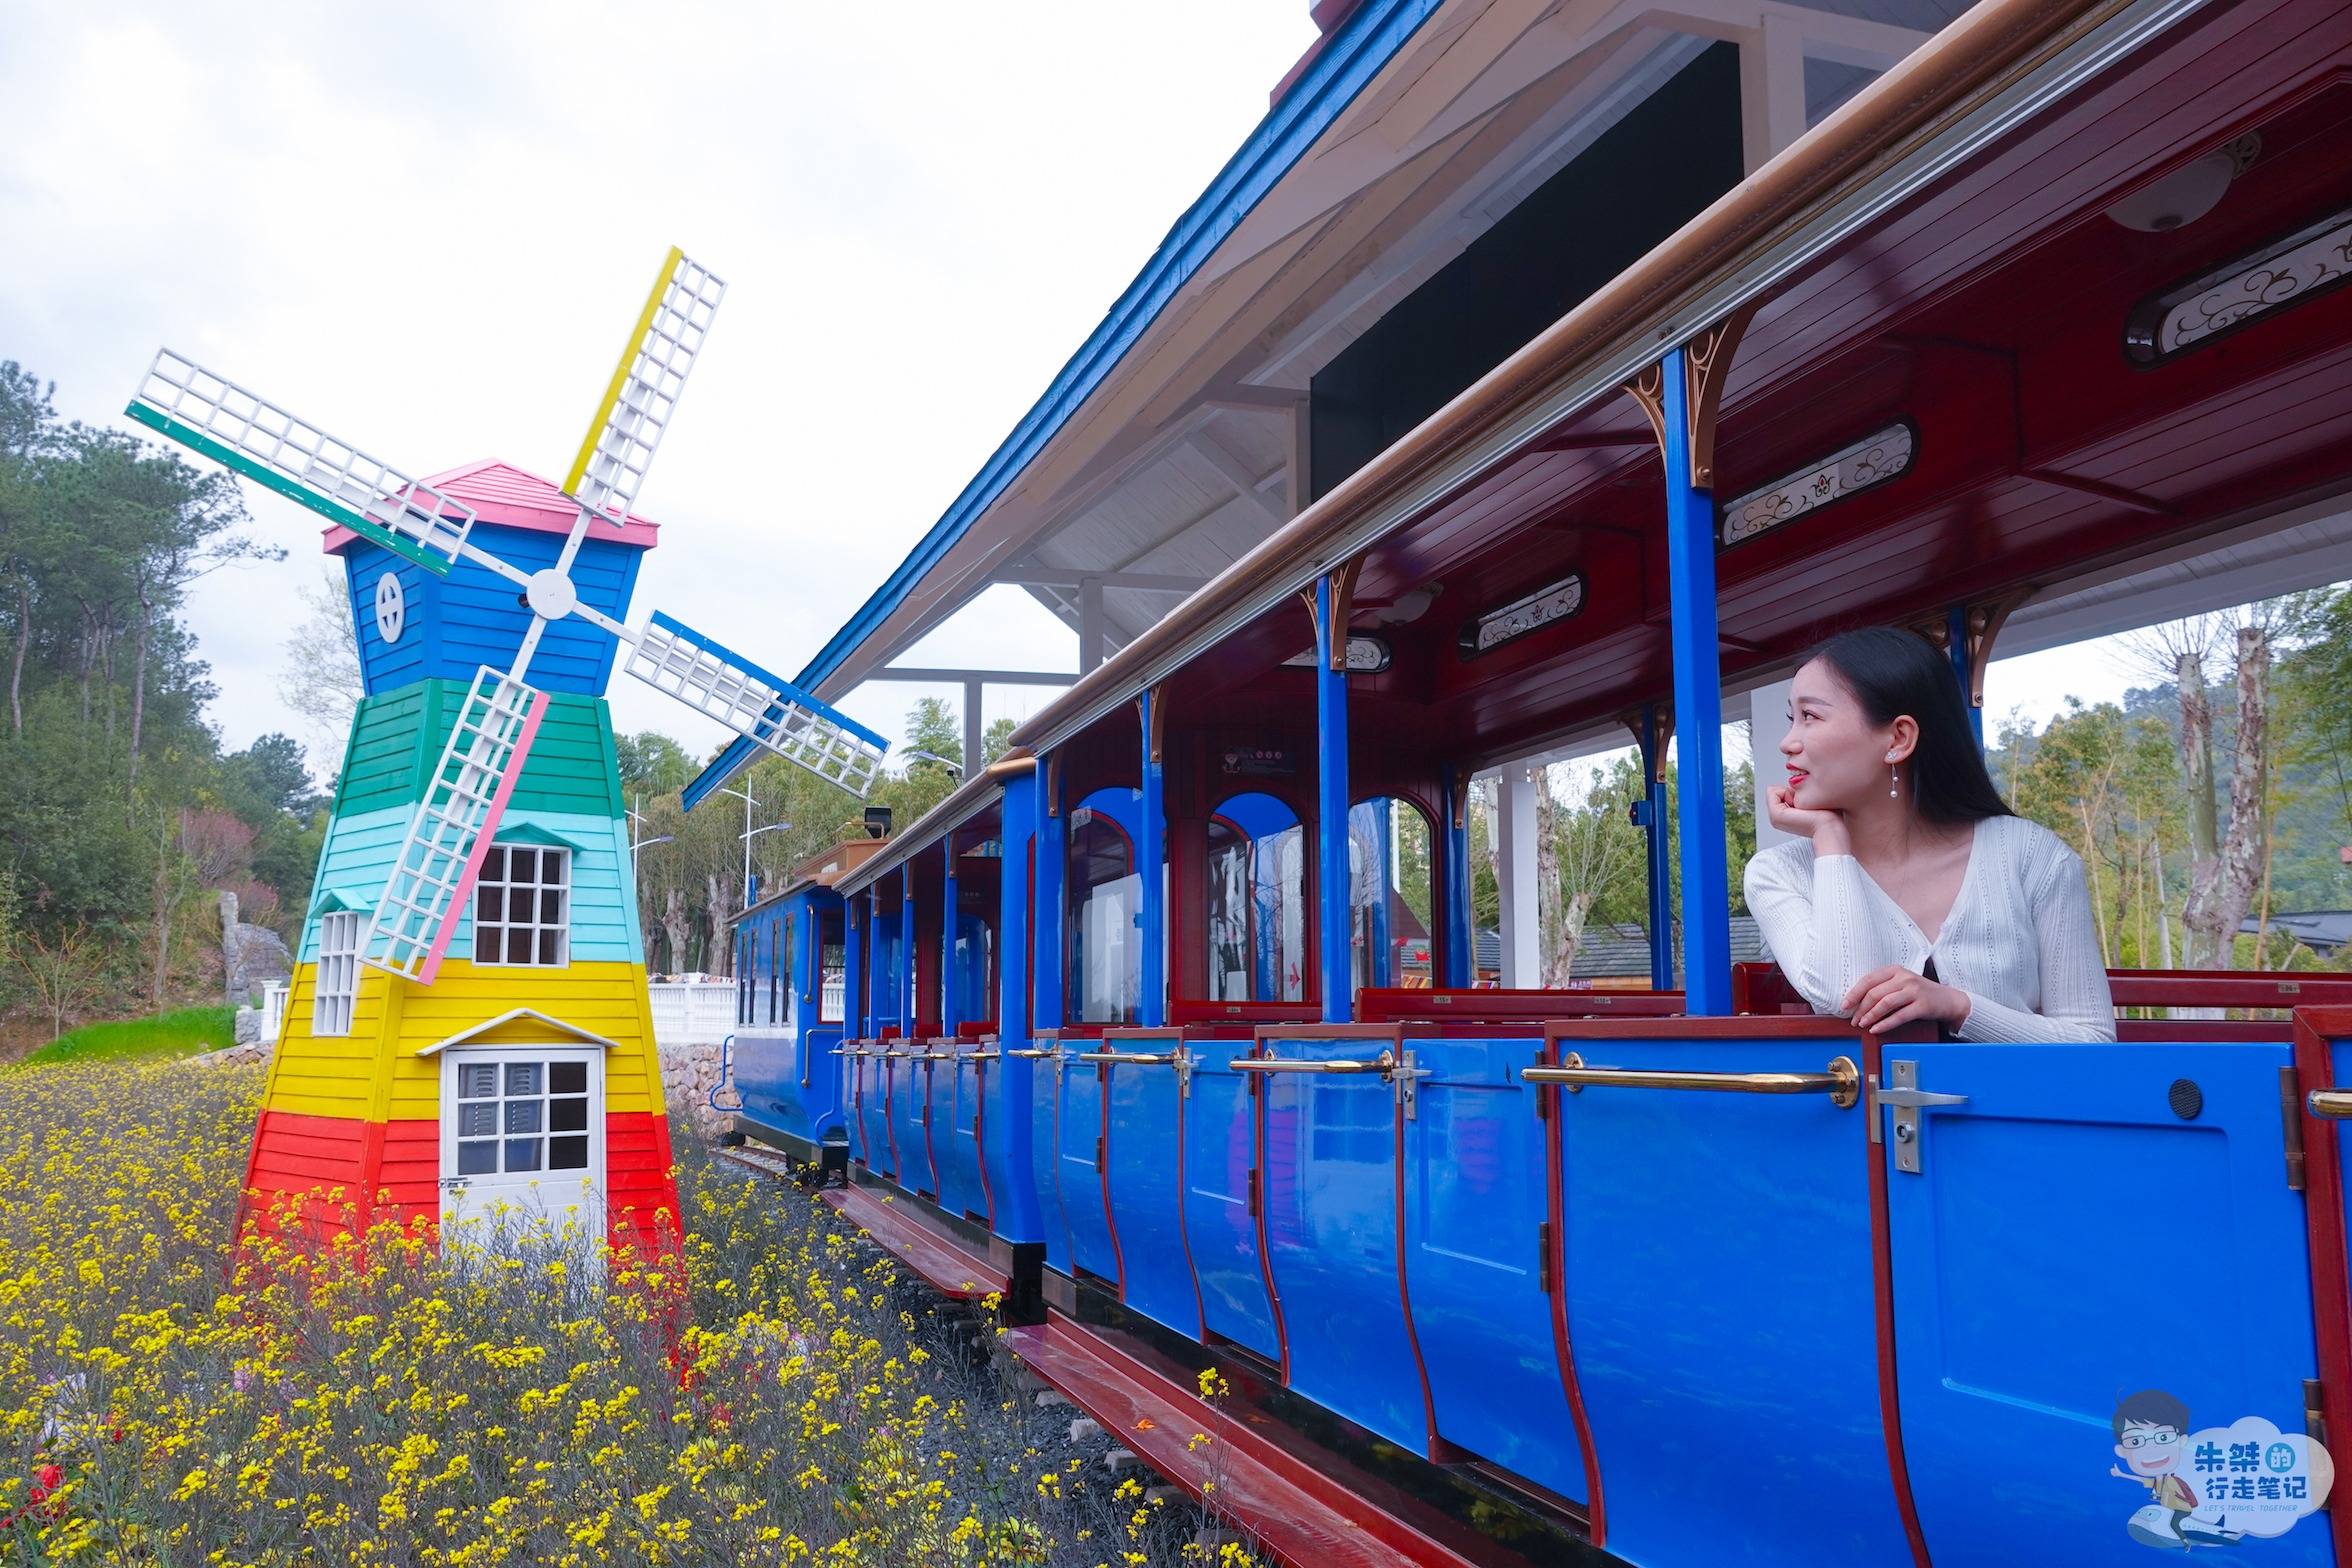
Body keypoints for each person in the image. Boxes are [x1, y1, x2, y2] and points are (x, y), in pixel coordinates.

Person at [1743, 626, 2115, 1041]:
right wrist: (1830, 838)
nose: (1787, 743)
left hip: (2016, 1106)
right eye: (1793, 719)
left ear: (1898, 738)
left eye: (1810, 717)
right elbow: (1842, 994)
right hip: (1870, 1106)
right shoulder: (1779, 873)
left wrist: (1958, 1006)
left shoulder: (2031, 856)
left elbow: (2093, 1039)